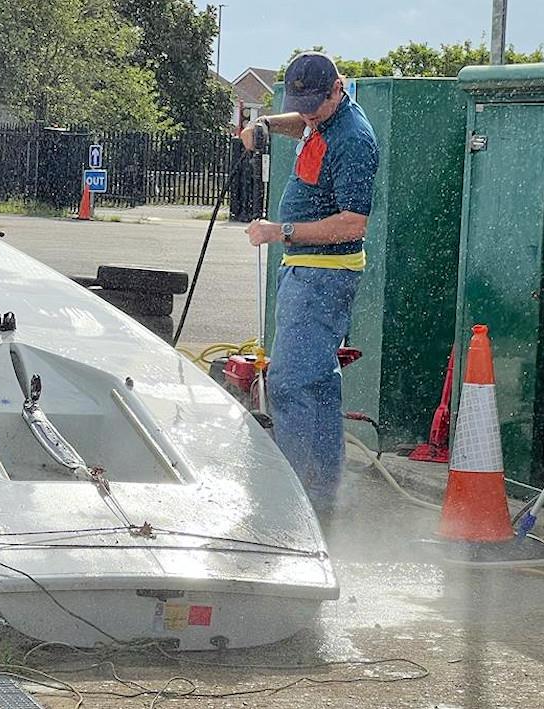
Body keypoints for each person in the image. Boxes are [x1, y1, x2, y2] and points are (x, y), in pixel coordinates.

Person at [240, 51, 379, 516]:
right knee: (317, 384)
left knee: (291, 384)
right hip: (309, 271)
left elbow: (353, 223)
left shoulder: (354, 139)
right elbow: (301, 125)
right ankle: (319, 499)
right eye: (300, 104)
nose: (307, 114)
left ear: (337, 89)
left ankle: (293, 501)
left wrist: (280, 231)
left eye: (314, 105)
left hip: (322, 274)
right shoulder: (322, 116)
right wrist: (264, 126)